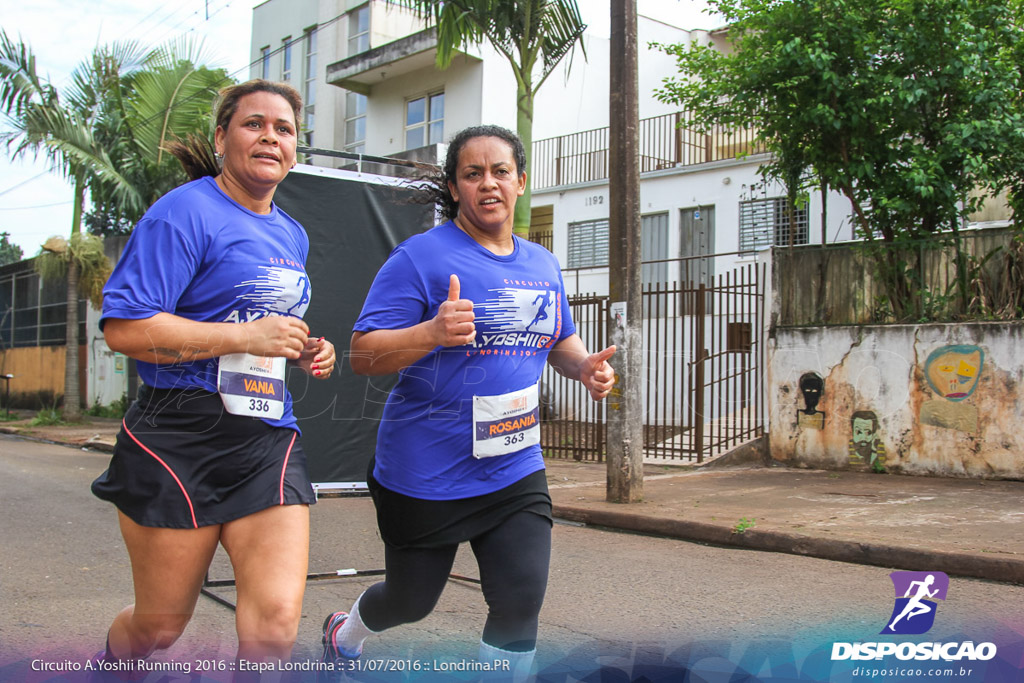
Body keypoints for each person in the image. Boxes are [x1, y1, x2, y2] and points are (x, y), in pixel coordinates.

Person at [319, 125, 616, 682]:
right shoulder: (420, 258)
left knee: (520, 600)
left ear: (521, 182)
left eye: (500, 171)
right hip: (426, 472)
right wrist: (430, 332)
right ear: (454, 187)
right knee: (411, 601)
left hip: (514, 467)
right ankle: (347, 632)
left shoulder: (542, 263)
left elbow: (556, 339)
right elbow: (362, 354)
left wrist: (583, 368)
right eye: (472, 173)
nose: (488, 184)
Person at [89, 79, 336, 676]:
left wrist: (301, 347)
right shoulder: (185, 211)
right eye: (254, 124)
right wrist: (246, 338)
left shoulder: (290, 231)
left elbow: (260, 325)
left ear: (296, 148)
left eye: (284, 129)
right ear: (222, 137)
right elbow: (124, 328)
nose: (270, 137)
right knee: (160, 627)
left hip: (265, 433)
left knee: (275, 621)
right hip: (177, 434)